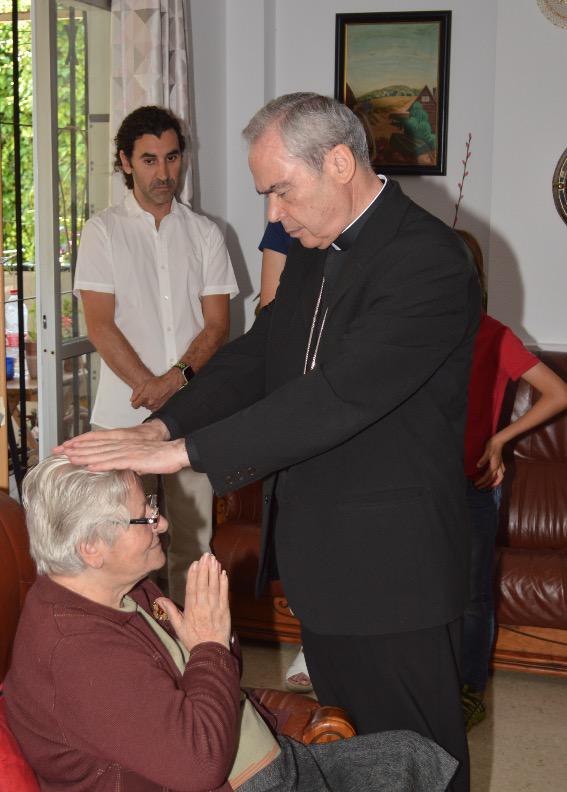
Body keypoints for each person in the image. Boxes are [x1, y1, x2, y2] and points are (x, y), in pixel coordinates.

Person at [60, 92, 481, 791]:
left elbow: (337, 394)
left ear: (339, 163)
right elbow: (258, 356)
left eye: (281, 191)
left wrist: (185, 454)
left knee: (417, 763)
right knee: (351, 756)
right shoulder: (318, 250)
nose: (274, 215)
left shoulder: (428, 261)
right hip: (325, 562)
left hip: (393, 569)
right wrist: (163, 424)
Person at [3, 456, 458, 792]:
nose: (161, 522)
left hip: (256, 754)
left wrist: (212, 643)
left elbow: (216, 670)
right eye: (145, 515)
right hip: (240, 779)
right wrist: (210, 648)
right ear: (90, 548)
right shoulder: (79, 653)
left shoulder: (121, 591)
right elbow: (197, 767)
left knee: (414, 756)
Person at [74, 105, 239, 605]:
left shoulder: (207, 234)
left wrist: (174, 382)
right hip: (121, 418)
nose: (163, 172)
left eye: (171, 157)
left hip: (193, 416)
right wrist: (149, 387)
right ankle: (129, 643)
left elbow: (217, 326)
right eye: (149, 160)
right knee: (120, 545)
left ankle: (193, 641)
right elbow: (100, 325)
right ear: (125, 162)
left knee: (194, 543)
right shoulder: (102, 231)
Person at [456, 230, 567, 729]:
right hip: (423, 486)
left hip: (475, 485)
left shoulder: (495, 335)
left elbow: (558, 393)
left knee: (472, 597)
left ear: (474, 279)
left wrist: (500, 441)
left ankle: (469, 690)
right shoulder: (414, 334)